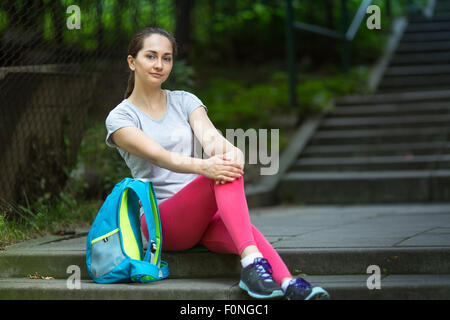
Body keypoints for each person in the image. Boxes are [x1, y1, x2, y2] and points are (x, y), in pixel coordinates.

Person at [105, 27, 329, 300]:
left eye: (166, 58)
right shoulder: (120, 117)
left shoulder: (185, 101)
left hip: (203, 218)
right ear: (132, 61)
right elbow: (158, 156)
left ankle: (288, 284)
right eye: (150, 56)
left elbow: (211, 138)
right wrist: (206, 167)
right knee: (217, 172)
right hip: (162, 220)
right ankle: (252, 267)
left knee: (244, 226)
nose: (159, 65)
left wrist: (232, 152)